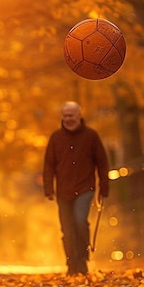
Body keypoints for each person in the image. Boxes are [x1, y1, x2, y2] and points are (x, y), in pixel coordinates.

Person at [43, 101, 110, 276]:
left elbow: (102, 163)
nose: (67, 119)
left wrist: (104, 188)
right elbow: (49, 165)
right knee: (66, 229)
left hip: (85, 188)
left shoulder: (91, 136)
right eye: (65, 116)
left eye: (71, 115)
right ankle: (71, 263)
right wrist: (49, 189)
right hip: (63, 191)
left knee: (80, 220)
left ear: (79, 116)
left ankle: (82, 260)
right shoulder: (56, 138)